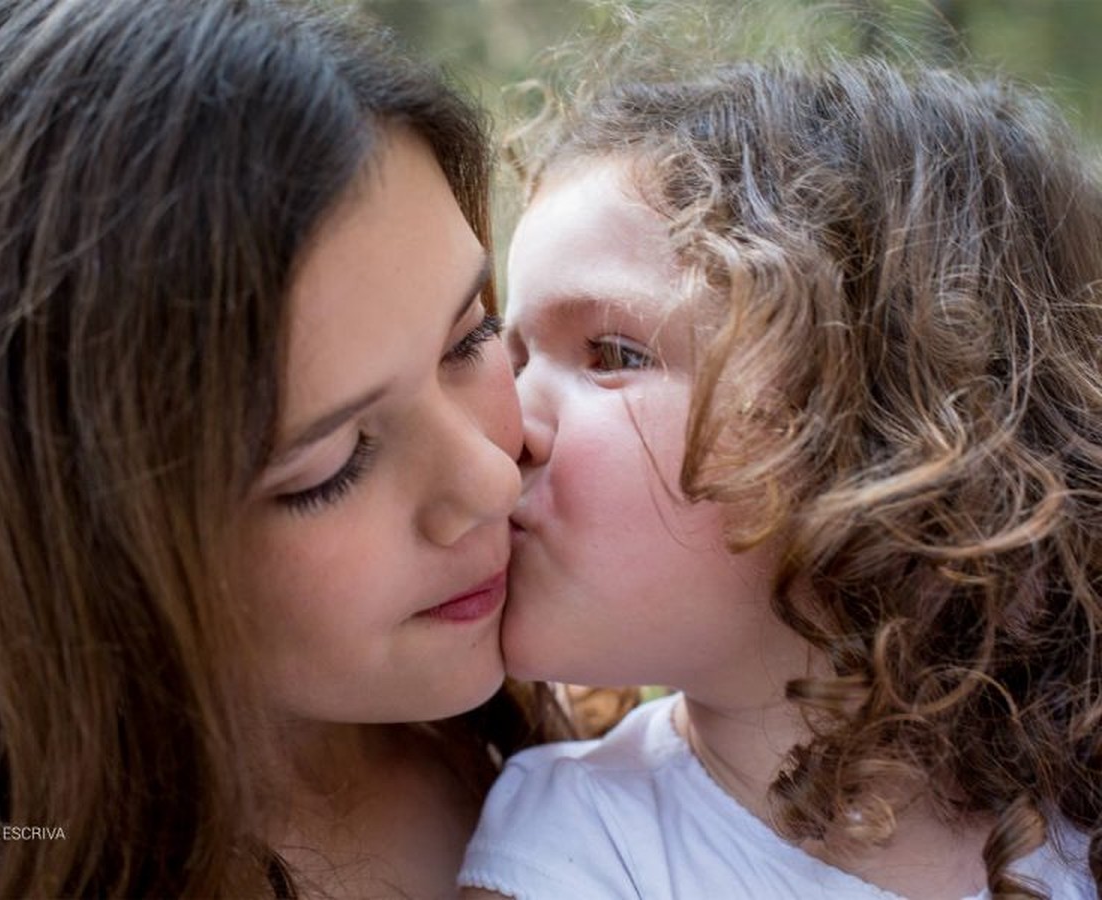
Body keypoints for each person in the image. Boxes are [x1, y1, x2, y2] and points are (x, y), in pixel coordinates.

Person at [0, 0, 567, 896]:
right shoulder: (8, 851)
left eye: (470, 340)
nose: (493, 477)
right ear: (49, 549)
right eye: (330, 464)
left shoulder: (591, 696)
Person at [459, 53, 1102, 899]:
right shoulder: (572, 849)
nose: (502, 425)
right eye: (508, 357)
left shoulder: (1076, 812)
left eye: (611, 355)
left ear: (892, 431)